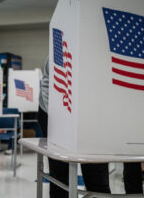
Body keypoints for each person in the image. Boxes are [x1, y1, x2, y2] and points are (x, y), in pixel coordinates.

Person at [37, 57, 111, 197]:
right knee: (60, 175)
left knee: (96, 175)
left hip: (92, 111)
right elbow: (49, 88)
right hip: (53, 110)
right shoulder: (61, 46)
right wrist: (59, 121)